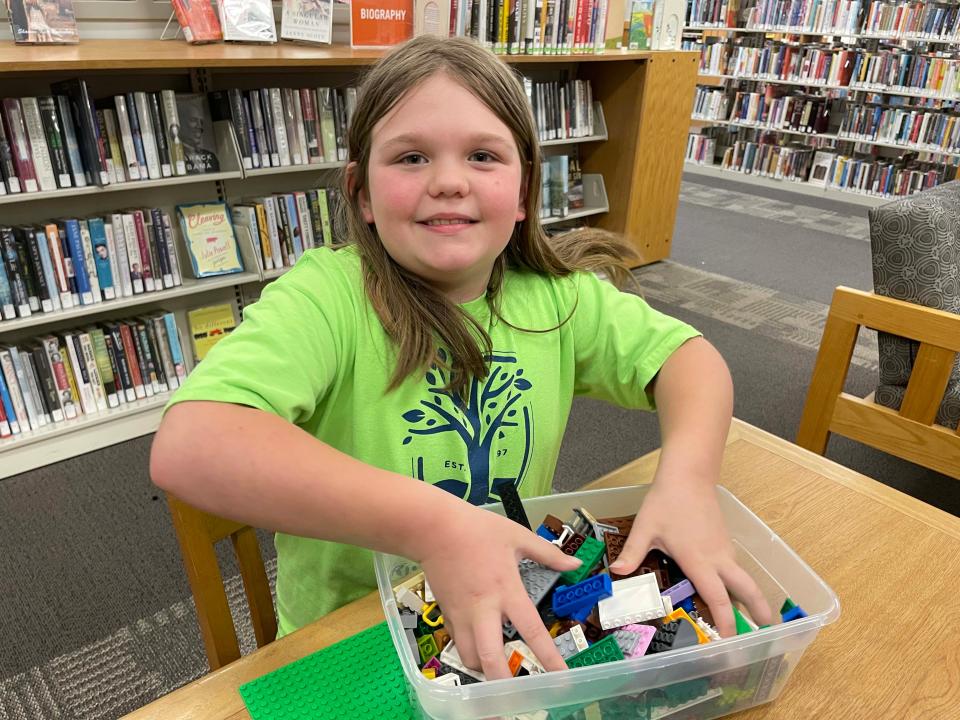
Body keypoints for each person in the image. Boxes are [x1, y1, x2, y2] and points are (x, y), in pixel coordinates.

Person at [151, 35, 772, 681]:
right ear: (362, 194)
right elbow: (192, 443)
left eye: (482, 155)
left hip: (506, 606)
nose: (448, 182)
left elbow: (689, 360)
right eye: (412, 157)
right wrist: (434, 527)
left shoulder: (557, 299)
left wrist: (689, 482)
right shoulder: (326, 297)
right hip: (351, 638)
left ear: (525, 190)